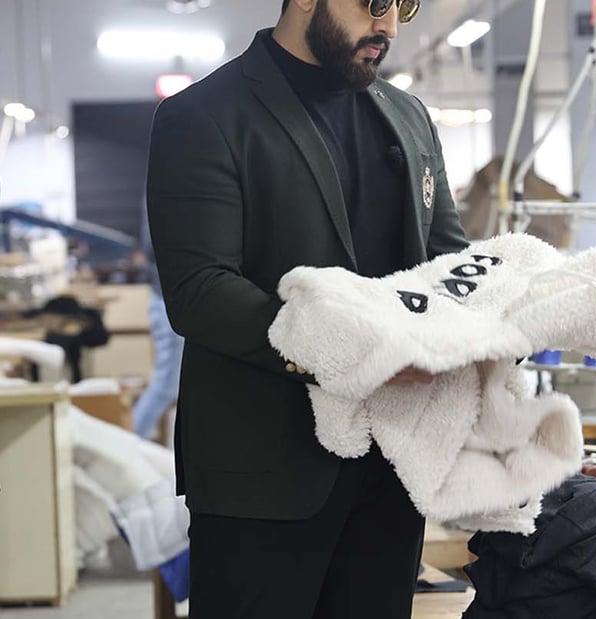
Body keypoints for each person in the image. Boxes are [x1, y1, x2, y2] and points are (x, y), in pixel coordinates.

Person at [145, 0, 468, 617]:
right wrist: (355, 354)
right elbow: (201, 290)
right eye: (373, 4)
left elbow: (448, 263)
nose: (390, 27)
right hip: (262, 477)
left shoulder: (407, 117)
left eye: (404, 5)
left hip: (390, 469)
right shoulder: (204, 116)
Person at [132, 206, 184, 439]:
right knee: (165, 388)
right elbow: (153, 246)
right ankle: (126, 450)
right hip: (169, 302)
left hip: (172, 300)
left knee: (170, 386)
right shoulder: (168, 177)